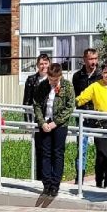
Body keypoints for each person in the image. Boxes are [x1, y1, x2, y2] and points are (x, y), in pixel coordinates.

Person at [75, 61, 107, 189]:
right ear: (101, 73)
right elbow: (81, 98)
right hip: (100, 124)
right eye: (105, 72)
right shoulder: (95, 86)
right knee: (102, 154)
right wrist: (71, 104)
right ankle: (99, 181)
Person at [33, 62, 74, 204]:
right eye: (50, 79)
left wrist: (55, 122)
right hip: (45, 123)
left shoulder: (67, 86)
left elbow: (70, 106)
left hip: (59, 125)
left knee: (57, 153)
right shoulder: (43, 85)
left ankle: (55, 185)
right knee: (45, 153)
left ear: (60, 76)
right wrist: (42, 122)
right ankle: (46, 184)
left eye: (55, 80)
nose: (52, 82)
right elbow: (37, 104)